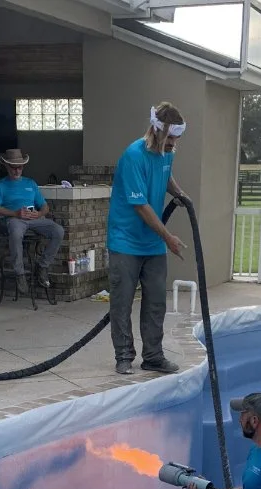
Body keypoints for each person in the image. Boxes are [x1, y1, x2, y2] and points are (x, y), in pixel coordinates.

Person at [107, 102, 190, 378]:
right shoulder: (133, 156)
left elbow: (166, 176)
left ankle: (153, 356)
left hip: (152, 242)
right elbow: (141, 206)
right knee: (122, 302)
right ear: (157, 131)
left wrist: (179, 193)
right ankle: (123, 356)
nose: (175, 143)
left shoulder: (167, 153)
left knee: (156, 301)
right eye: (172, 138)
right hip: (126, 240)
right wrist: (169, 238)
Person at [0, 149, 65, 296]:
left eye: (20, 167)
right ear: (6, 167)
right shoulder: (0, 185)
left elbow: (45, 206)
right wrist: (15, 213)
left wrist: (40, 213)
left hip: (34, 218)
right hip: (14, 219)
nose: (17, 170)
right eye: (13, 167)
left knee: (58, 231)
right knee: (16, 233)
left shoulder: (31, 183)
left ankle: (42, 266)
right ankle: (20, 273)